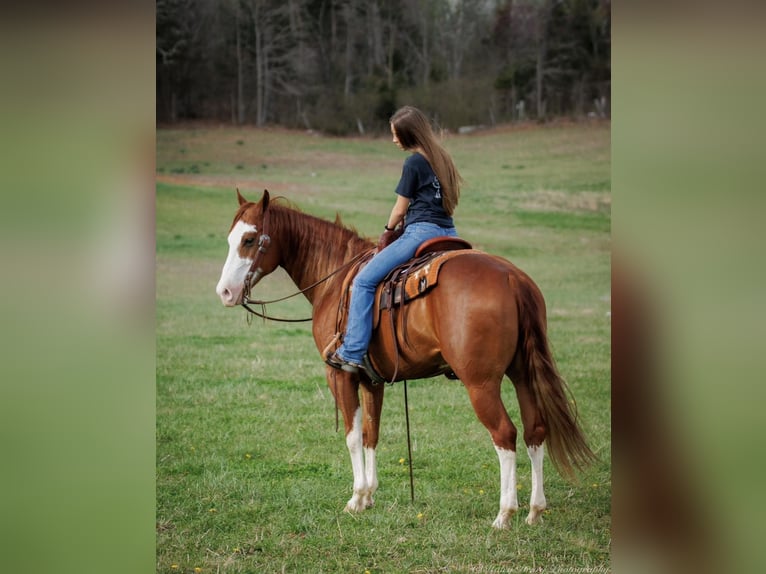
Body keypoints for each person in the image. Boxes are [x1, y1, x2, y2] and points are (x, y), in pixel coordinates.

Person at [326, 105, 462, 373]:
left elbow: (400, 209)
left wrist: (388, 231)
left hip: (421, 232)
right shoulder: (442, 158)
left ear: (409, 134)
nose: (393, 140)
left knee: (363, 280)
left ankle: (352, 352)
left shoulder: (414, 162)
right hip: (449, 232)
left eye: (396, 135)